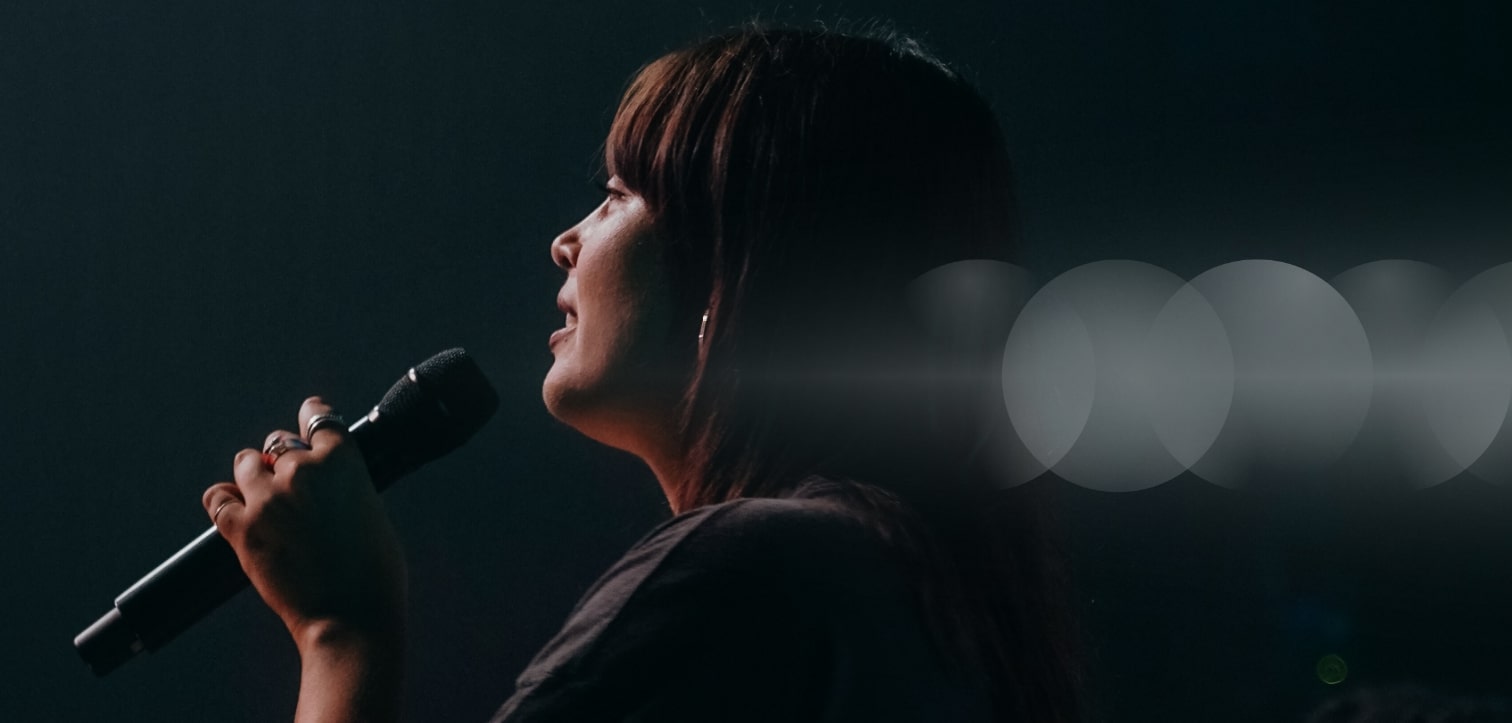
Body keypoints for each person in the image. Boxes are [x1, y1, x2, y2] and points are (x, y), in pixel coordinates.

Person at [201, 23, 1084, 723]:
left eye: (619, 194)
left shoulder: (745, 573)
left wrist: (341, 631)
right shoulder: (931, 608)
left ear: (734, 262)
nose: (567, 240)